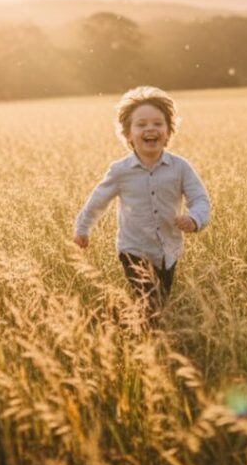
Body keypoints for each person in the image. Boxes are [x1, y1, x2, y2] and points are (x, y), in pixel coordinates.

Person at [73, 86, 210, 322]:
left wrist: (194, 219)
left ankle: (124, 318)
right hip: (132, 250)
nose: (150, 129)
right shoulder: (120, 171)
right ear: (128, 134)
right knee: (149, 302)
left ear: (168, 132)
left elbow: (200, 199)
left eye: (158, 124)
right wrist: (82, 228)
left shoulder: (180, 168)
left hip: (168, 250)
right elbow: (98, 200)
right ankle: (145, 335)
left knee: (161, 298)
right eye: (141, 124)